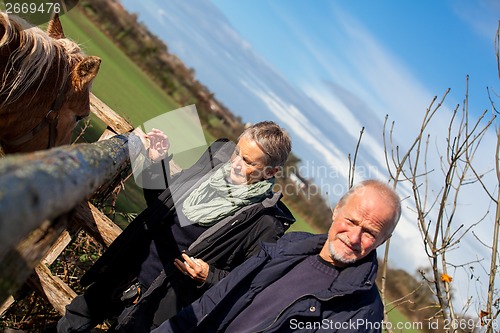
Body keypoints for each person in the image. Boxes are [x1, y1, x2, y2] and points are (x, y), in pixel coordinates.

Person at [57, 121, 294, 333]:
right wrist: (156, 162)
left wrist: (209, 276)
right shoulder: (214, 162)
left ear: (270, 172)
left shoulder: (266, 222)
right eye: (237, 152)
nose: (235, 164)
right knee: (70, 323)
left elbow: (248, 283)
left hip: (155, 307)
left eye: (247, 162)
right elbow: (162, 203)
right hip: (127, 268)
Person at [152, 179, 401, 333]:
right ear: (337, 210)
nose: (354, 237)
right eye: (352, 220)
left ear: (384, 240)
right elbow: (214, 300)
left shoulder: (363, 313)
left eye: (369, 232)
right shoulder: (288, 246)